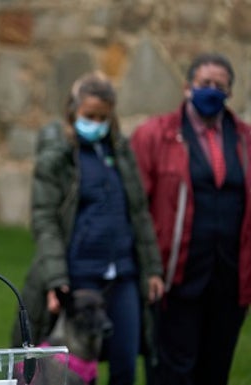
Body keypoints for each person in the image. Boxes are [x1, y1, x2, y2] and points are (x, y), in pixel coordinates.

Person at [14, 72, 164, 385]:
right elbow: (45, 219)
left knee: (125, 361)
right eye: (89, 116)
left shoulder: (120, 152)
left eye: (103, 117)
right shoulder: (57, 155)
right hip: (78, 276)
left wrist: (151, 268)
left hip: (121, 273)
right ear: (73, 112)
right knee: (72, 370)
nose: (96, 123)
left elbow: (138, 211)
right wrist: (56, 278)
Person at [131, 53, 251, 385]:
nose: (212, 91)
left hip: (228, 279)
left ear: (230, 92)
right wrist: (149, 267)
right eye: (204, 84)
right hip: (175, 278)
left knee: (216, 369)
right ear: (187, 87)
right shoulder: (154, 136)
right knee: (173, 371)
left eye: (220, 86)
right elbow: (136, 206)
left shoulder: (244, 140)